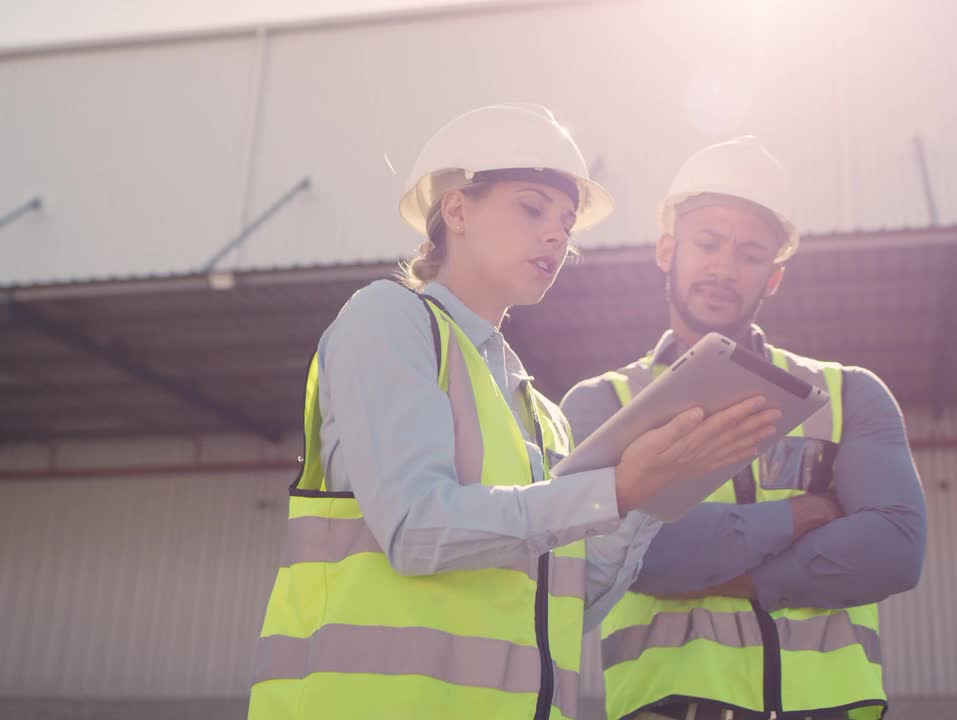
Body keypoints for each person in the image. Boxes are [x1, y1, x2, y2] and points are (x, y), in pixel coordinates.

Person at [247, 105, 781, 720]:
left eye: (567, 222)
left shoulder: (542, 412)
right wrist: (614, 487)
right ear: (457, 209)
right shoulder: (387, 319)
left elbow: (562, 606)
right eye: (532, 208)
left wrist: (648, 496)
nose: (558, 236)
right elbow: (415, 527)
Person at [562, 137, 928, 720]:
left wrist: (734, 576)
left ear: (774, 278)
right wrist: (802, 515)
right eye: (707, 243)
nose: (724, 268)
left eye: (751, 254)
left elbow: (895, 553)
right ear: (666, 250)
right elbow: (640, 557)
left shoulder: (849, 393)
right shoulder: (602, 405)